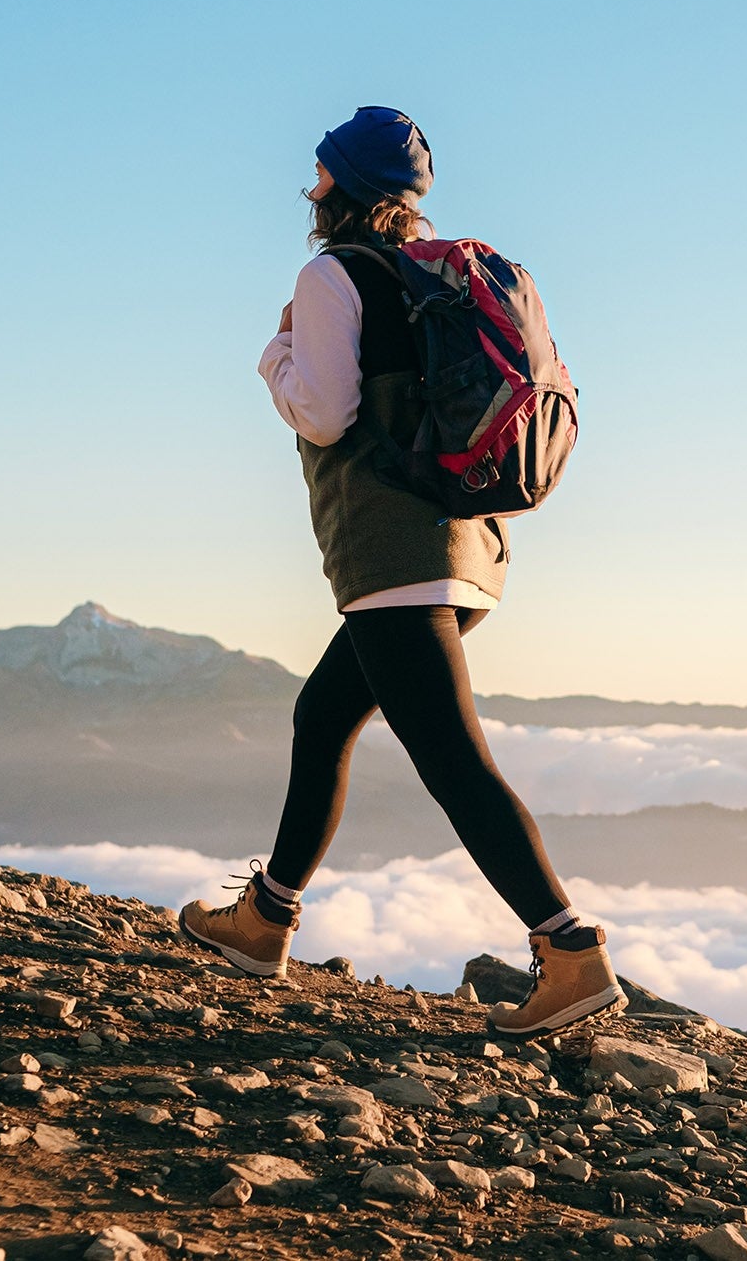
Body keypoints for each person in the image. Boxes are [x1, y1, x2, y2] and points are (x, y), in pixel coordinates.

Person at [178, 106, 624, 1038]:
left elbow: (327, 413)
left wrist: (275, 355)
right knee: (324, 714)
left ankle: (569, 951)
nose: (310, 188)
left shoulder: (331, 275)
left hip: (393, 555)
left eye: (318, 174)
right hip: (469, 550)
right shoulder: (443, 280)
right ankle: (265, 918)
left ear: (337, 184)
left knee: (454, 760)